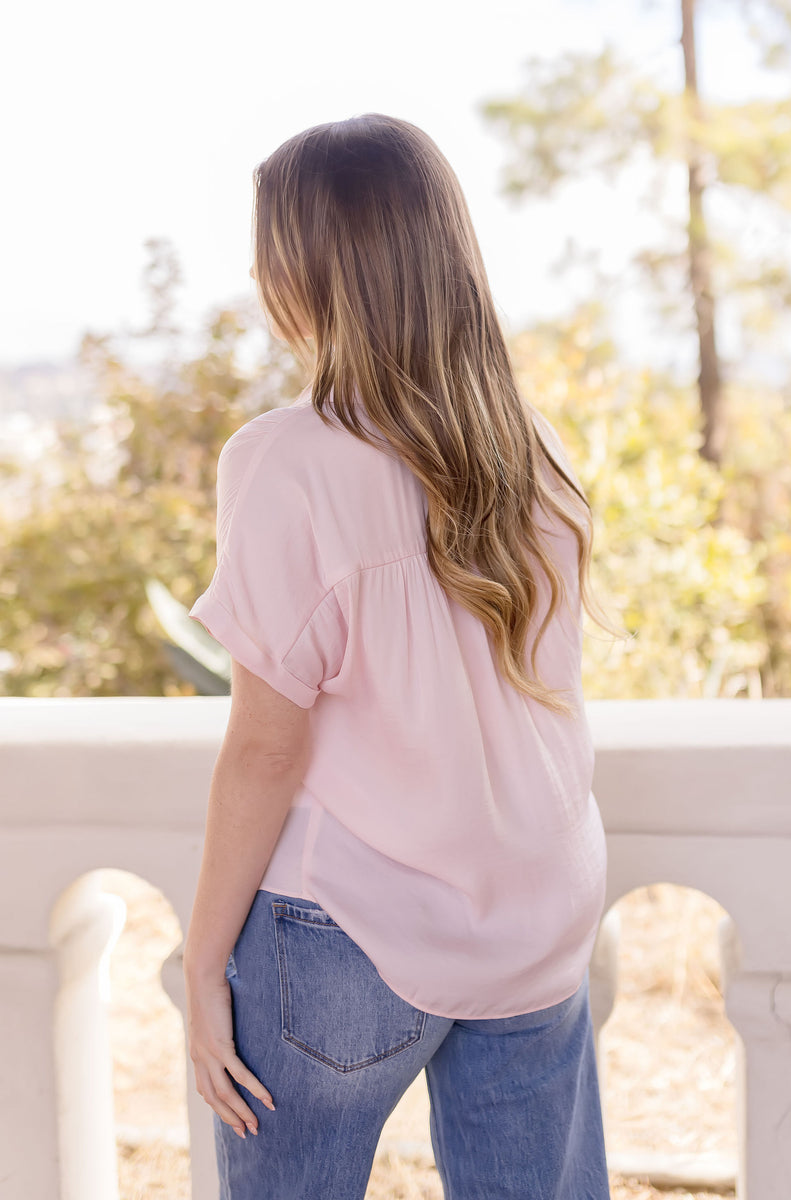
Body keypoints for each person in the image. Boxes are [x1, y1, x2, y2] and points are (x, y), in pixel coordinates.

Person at [183, 112, 624, 1200]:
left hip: (346, 934)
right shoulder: (532, 446)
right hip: (535, 912)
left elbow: (266, 749)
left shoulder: (284, 462)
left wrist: (201, 965)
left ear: (304, 271)